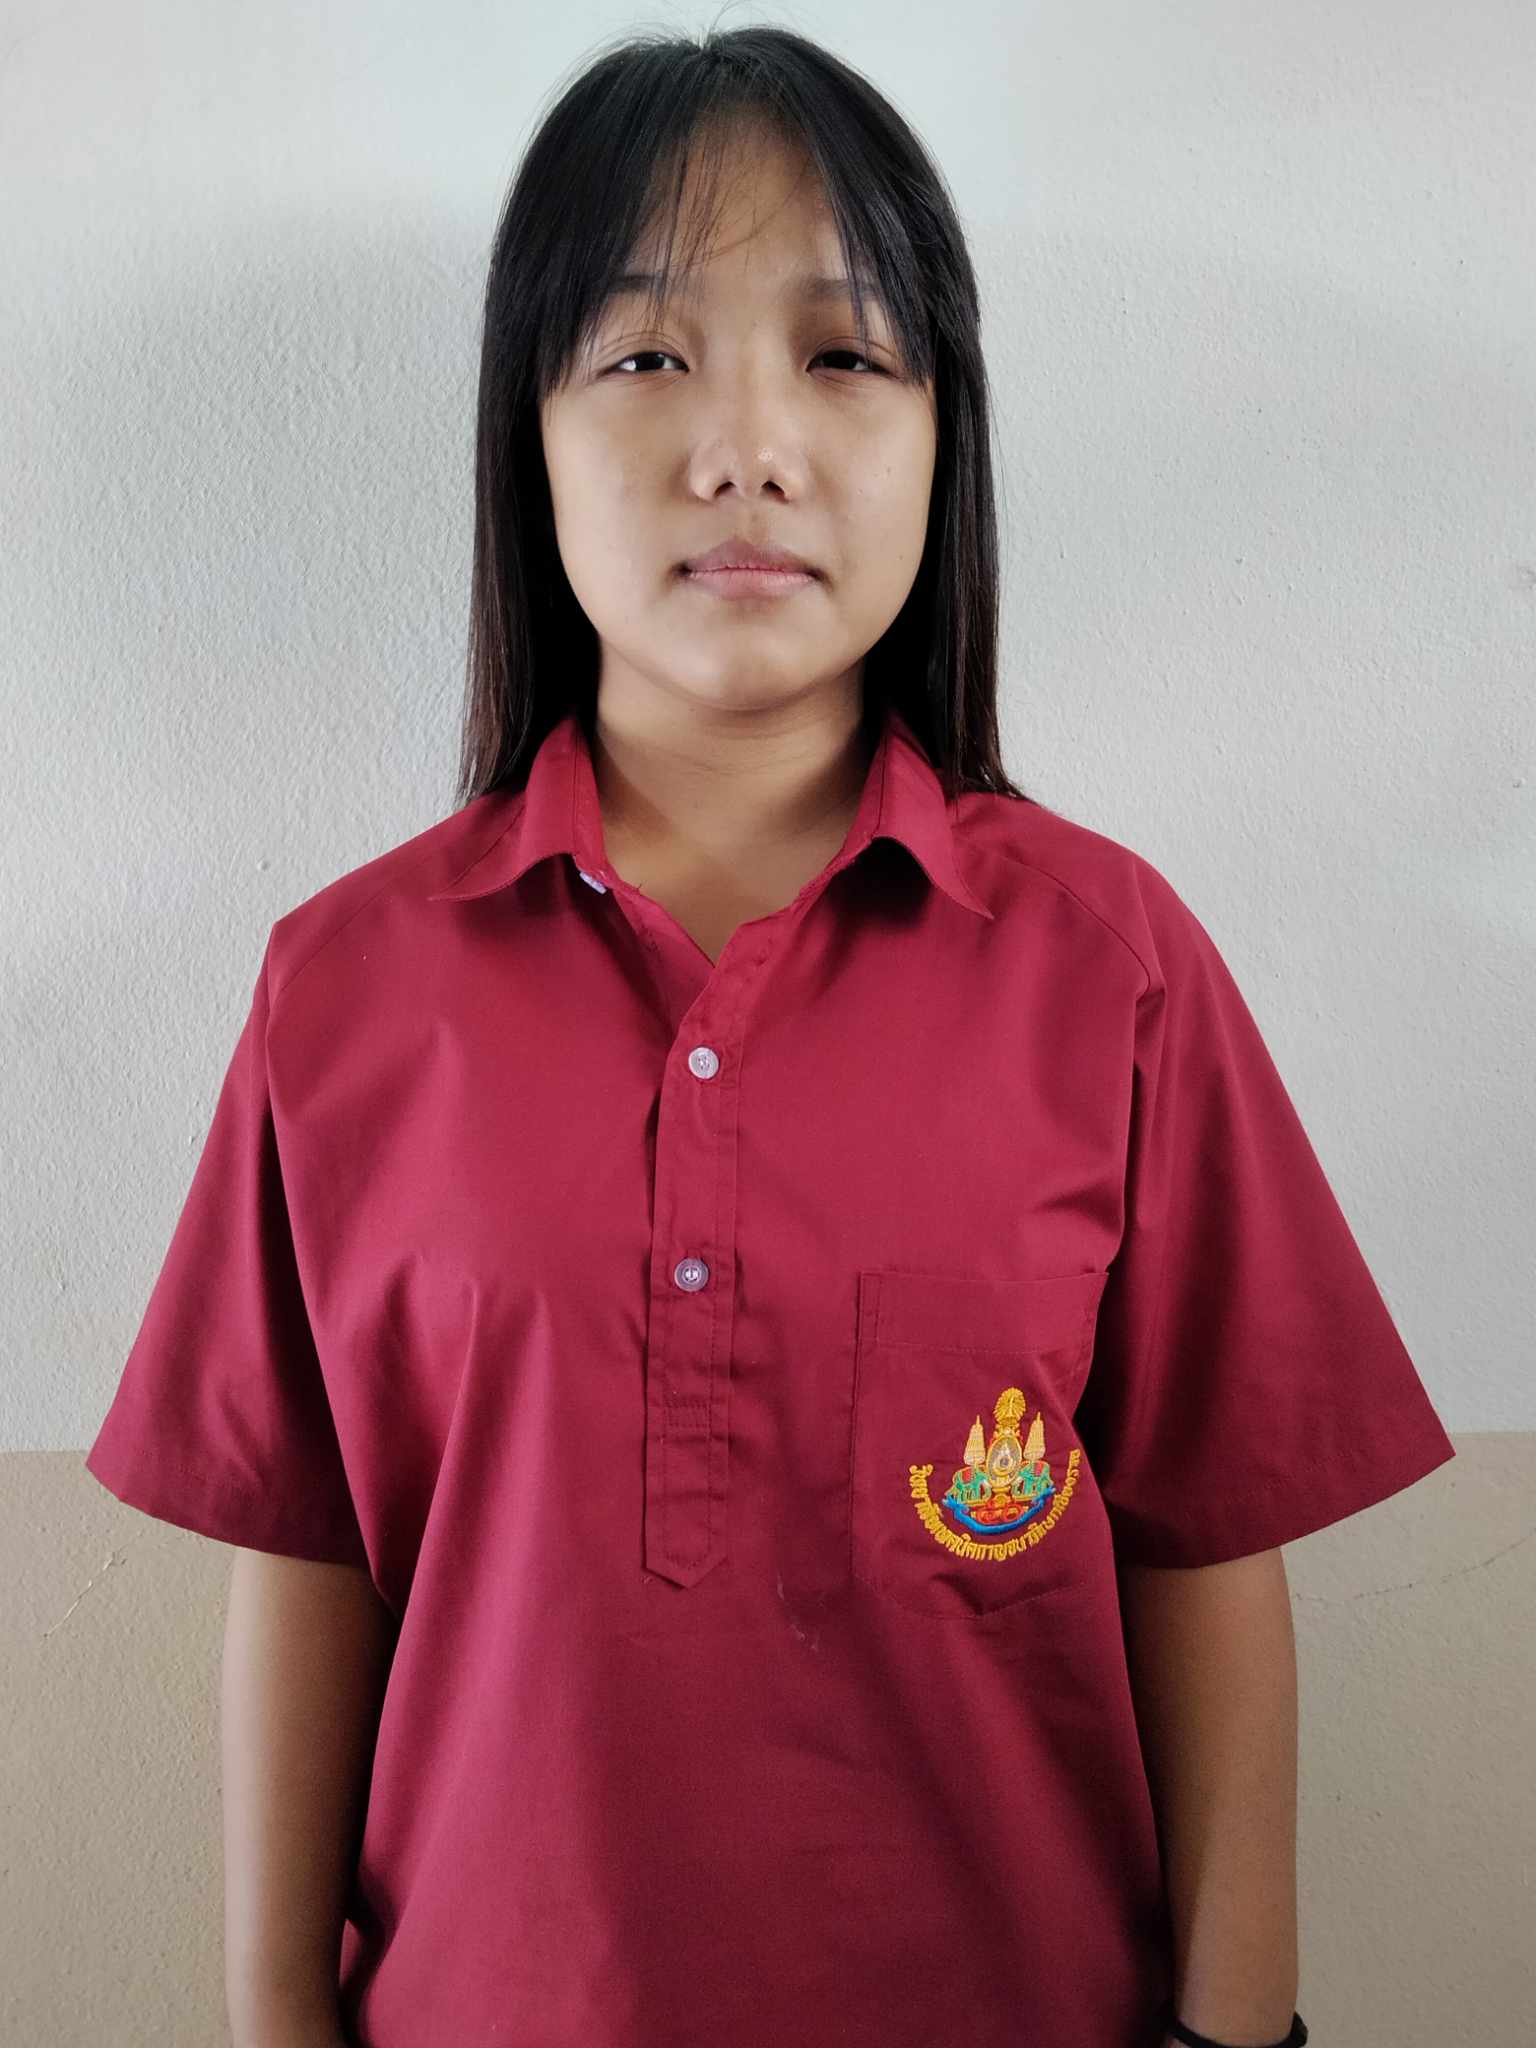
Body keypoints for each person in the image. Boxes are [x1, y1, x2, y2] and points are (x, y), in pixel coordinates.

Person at [85, 24, 1452, 2048]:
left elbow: (1202, 1545)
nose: (746, 449)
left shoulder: (1112, 964)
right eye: (647, 354)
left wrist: (1238, 2031)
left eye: (841, 355)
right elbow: (311, 1560)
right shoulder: (344, 984)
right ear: (527, 437)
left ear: (943, 436)